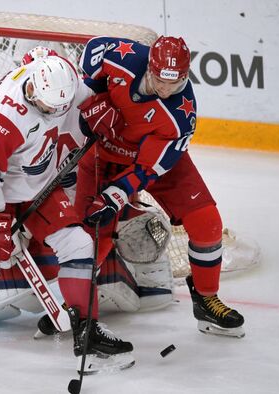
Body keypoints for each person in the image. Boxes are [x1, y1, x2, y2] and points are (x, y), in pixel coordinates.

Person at [0, 53, 134, 373]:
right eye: (33, 93)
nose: (35, 99)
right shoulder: (2, 117)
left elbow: (85, 101)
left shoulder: (62, 80)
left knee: (79, 244)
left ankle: (86, 332)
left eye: (46, 104)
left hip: (39, 183)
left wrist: (97, 112)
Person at [75, 35, 245, 338]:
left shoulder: (180, 114)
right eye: (160, 81)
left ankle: (206, 300)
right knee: (92, 236)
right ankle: (75, 307)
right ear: (149, 67)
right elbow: (91, 53)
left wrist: (116, 194)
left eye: (176, 84)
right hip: (103, 150)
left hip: (149, 160)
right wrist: (96, 98)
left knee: (207, 223)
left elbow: (149, 168)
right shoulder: (122, 57)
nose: (167, 90)